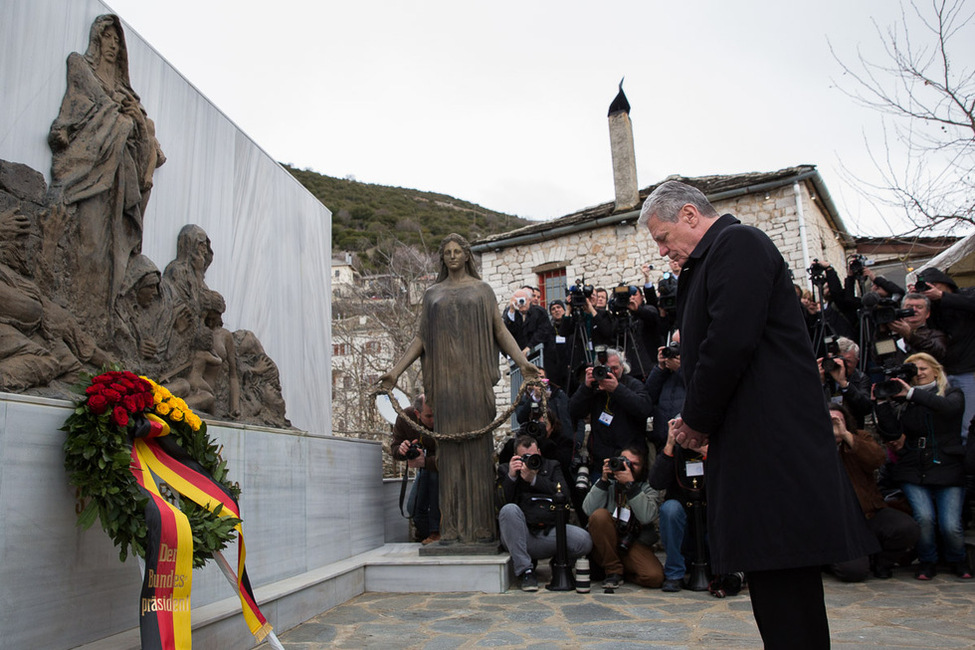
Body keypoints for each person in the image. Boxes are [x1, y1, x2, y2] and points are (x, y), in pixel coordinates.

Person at [640, 180, 875, 649]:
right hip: (755, 445)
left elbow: (727, 343)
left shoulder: (738, 244)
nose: (664, 251)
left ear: (690, 215)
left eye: (664, 237)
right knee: (774, 588)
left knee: (787, 590)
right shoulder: (713, 260)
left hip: (772, 449)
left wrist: (696, 420)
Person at [379, 234, 539, 545]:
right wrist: (395, 372)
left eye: (457, 251)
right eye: (447, 252)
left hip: (476, 382)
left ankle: (480, 528)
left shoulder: (482, 291)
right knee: (450, 456)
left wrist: (523, 363)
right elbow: (420, 339)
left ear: (466, 255)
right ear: (442, 258)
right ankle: (450, 528)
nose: (452, 256)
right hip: (446, 386)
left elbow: (499, 329)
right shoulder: (432, 294)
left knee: (478, 454)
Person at [48, 15, 165, 332]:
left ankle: (100, 327)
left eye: (117, 40)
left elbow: (148, 142)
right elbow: (74, 111)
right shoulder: (81, 68)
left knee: (113, 254)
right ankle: (75, 318)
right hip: (90, 171)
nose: (113, 44)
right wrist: (115, 113)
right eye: (108, 37)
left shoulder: (128, 94)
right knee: (88, 243)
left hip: (121, 178)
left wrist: (135, 121)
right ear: (96, 38)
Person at [874, 352, 970, 579]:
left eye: (923, 368)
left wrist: (912, 393)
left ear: (936, 370)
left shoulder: (952, 393)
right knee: (924, 519)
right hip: (913, 467)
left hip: (948, 466)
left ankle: (958, 559)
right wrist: (880, 402)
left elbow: (948, 408)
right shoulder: (903, 400)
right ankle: (927, 561)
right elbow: (892, 433)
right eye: (913, 371)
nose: (919, 374)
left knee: (950, 525)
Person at [826, 403, 920, 581]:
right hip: (838, 523)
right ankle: (837, 560)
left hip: (868, 512)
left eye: (839, 420)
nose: (835, 425)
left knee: (907, 528)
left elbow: (877, 459)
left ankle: (880, 562)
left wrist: (845, 435)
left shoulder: (859, 438)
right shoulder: (812, 444)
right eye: (829, 421)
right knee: (852, 572)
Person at [497, 435, 593, 591]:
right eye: (524, 457)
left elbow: (564, 493)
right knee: (509, 510)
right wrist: (511, 477)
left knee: (584, 540)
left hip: (550, 531)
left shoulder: (552, 466)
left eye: (533, 456)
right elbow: (500, 503)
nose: (529, 461)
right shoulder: (506, 470)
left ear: (540, 453)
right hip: (521, 534)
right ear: (515, 457)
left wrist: (534, 480)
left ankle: (558, 562)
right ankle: (526, 571)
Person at [582, 442, 663, 589]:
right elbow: (588, 510)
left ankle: (621, 572)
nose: (628, 466)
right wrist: (604, 480)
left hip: (632, 543)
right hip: (606, 542)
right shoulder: (608, 484)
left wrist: (631, 486)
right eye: (624, 461)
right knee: (599, 515)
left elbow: (646, 517)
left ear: (643, 467)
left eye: (634, 464)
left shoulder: (648, 487)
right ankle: (613, 571)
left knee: (654, 577)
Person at [913, 268, 975, 443]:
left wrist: (942, 296)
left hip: (968, 369)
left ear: (942, 284)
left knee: (968, 424)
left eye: (932, 286)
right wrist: (919, 301)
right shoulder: (933, 307)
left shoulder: (966, 294)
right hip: (945, 371)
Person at [567, 348, 652, 474]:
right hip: (601, 460)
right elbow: (573, 411)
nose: (610, 372)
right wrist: (585, 387)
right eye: (606, 368)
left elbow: (644, 409)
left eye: (615, 368)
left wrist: (617, 389)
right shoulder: (594, 389)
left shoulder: (633, 385)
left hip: (630, 458)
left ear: (623, 367)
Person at [648, 421, 707, 592]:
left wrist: (704, 450)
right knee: (670, 509)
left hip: (709, 517)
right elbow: (656, 482)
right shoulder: (675, 451)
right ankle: (674, 574)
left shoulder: (713, 446)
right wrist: (670, 445)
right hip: (682, 518)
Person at [390, 394, 440, 545]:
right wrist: (403, 450)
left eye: (435, 415)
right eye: (429, 416)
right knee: (414, 509)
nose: (433, 420)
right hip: (425, 468)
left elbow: (452, 455)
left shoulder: (445, 418)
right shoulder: (405, 418)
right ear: (417, 414)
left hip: (440, 469)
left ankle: (436, 532)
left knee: (434, 479)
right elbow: (394, 448)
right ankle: (427, 535)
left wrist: (425, 462)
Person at [644, 331, 685, 450]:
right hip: (664, 439)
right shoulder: (664, 371)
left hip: (687, 439)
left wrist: (680, 369)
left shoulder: (697, 366)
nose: (675, 349)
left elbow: (699, 390)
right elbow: (648, 396)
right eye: (673, 344)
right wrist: (660, 368)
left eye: (679, 345)